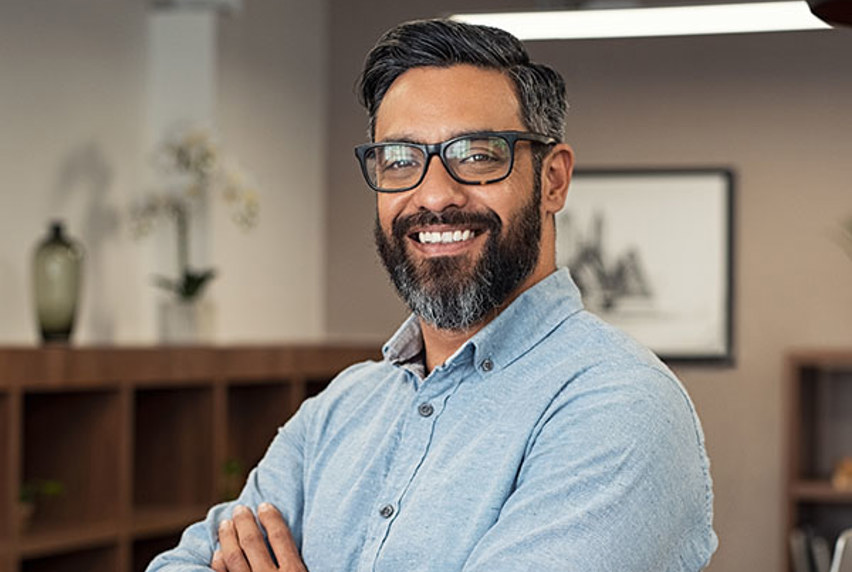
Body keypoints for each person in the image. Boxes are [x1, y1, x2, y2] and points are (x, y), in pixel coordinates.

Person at [147, 18, 718, 572]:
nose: (435, 195)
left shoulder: (619, 404)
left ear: (553, 180)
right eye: (400, 160)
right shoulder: (340, 409)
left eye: (477, 155)